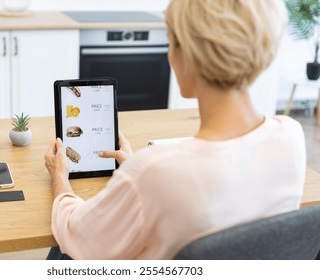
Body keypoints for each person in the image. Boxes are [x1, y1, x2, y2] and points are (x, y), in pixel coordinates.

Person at [44, 0, 306, 260]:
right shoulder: (290, 136)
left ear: (188, 56)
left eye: (172, 41)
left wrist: (60, 177)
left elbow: (74, 232)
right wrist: (136, 171)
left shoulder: (155, 171)